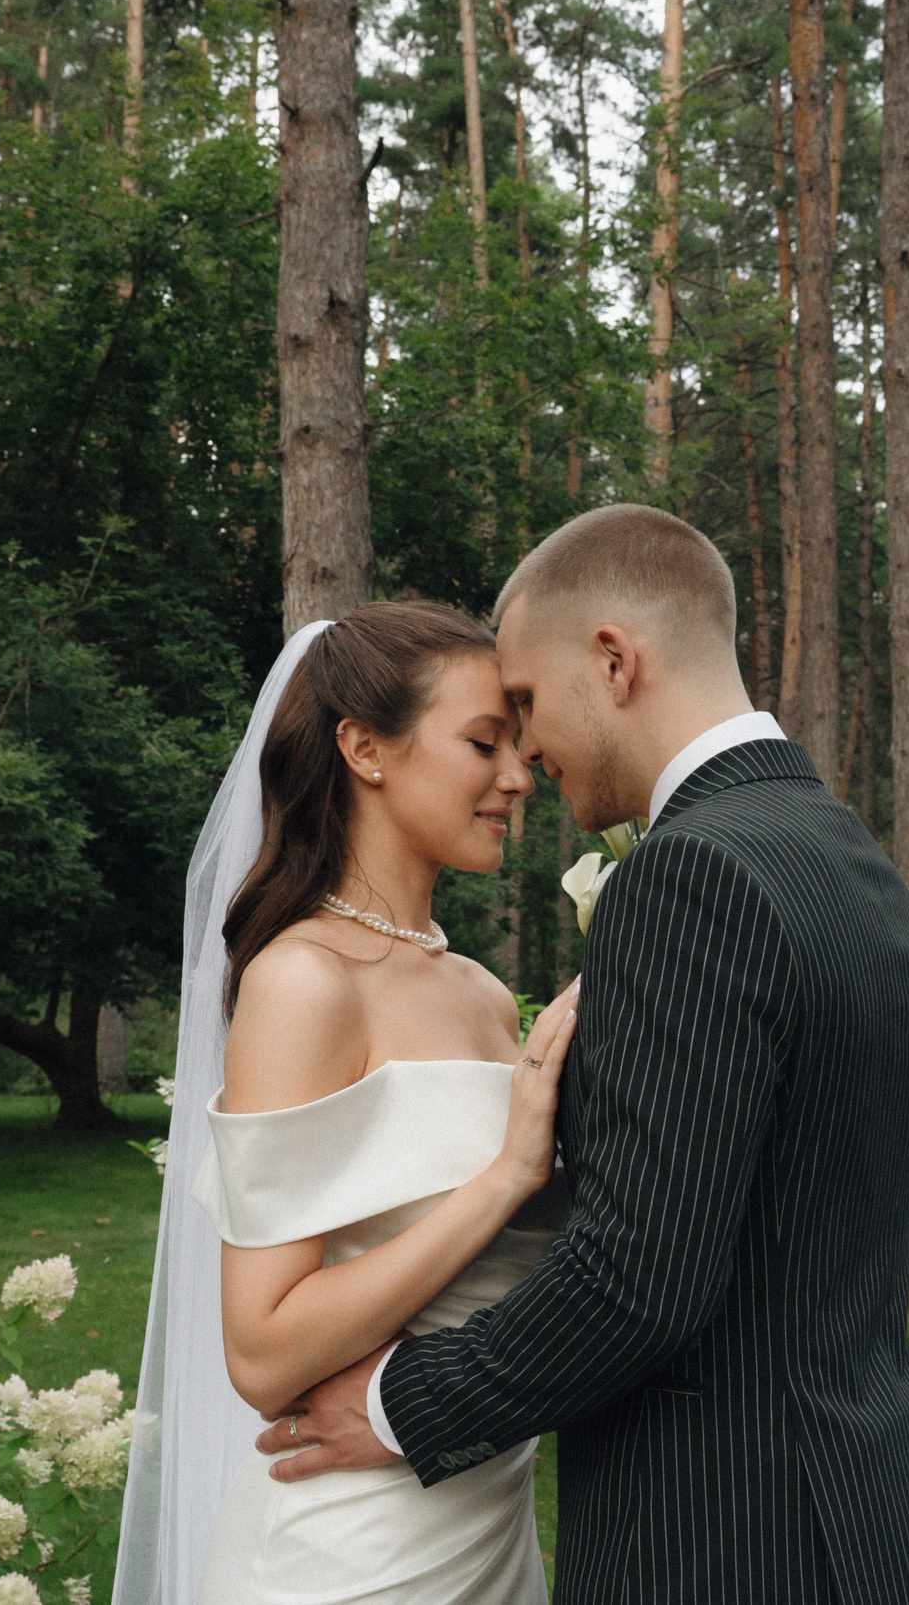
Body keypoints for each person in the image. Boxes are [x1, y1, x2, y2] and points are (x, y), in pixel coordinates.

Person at [243, 506, 909, 1603]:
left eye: (524, 707)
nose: (526, 756)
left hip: (726, 1541)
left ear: (615, 662)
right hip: (870, 1520)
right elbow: (880, 1226)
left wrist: (401, 1404)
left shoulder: (688, 877)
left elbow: (639, 1279)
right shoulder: (849, 862)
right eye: (489, 732)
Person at [114, 601, 580, 1605]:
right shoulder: (304, 982)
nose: (518, 776)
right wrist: (504, 1178)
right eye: (482, 741)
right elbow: (263, 1348)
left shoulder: (482, 993)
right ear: (365, 749)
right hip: (345, 1561)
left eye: (519, 743)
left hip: (489, 1539)